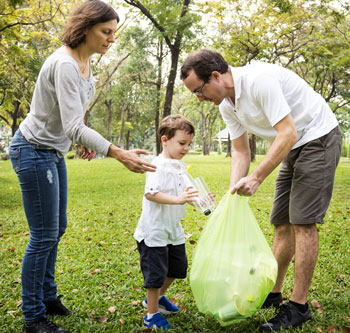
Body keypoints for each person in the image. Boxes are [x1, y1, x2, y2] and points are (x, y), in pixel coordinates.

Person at [8, 1, 155, 332]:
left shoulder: (85, 62)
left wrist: (79, 142)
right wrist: (116, 152)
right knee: (43, 234)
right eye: (106, 32)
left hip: (52, 151)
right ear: (85, 28)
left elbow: (67, 119)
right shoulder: (64, 64)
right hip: (33, 150)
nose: (111, 39)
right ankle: (33, 317)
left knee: (55, 229)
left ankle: (47, 297)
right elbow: (74, 124)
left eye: (114, 33)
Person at [180, 49, 342, 332]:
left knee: (302, 222)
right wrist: (232, 191)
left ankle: (298, 307)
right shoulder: (226, 105)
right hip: (292, 145)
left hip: (318, 137)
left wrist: (256, 178)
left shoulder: (258, 81)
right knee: (281, 223)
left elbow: (288, 132)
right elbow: (240, 151)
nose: (200, 98)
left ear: (216, 76)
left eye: (199, 90)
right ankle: (274, 292)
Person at [133, 114, 198, 330]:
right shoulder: (157, 165)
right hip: (154, 231)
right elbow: (151, 193)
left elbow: (186, 194)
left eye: (189, 144)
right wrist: (178, 199)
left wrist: (199, 201)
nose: (186, 148)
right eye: (182, 143)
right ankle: (151, 314)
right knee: (155, 274)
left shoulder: (180, 166)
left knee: (178, 268)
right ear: (165, 140)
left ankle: (158, 298)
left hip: (173, 229)